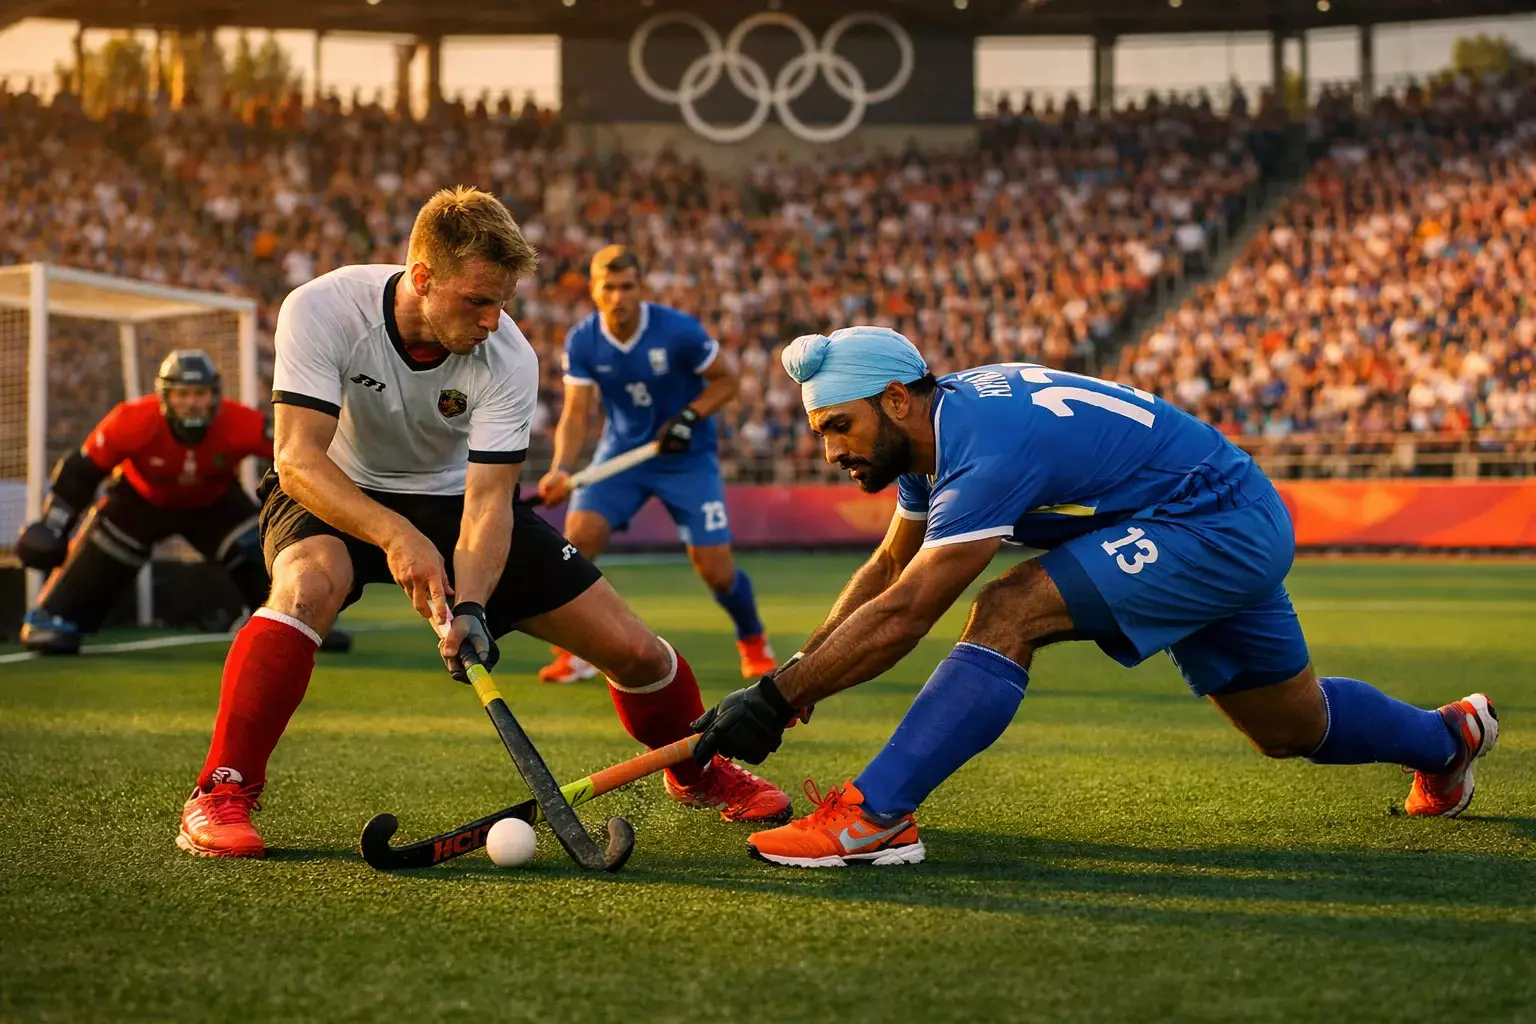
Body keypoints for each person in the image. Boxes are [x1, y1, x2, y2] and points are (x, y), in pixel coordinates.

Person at [691, 327, 1499, 868]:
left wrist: (779, 693)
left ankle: (875, 818)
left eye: (838, 428)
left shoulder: (983, 447)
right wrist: (789, 686)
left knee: (1009, 608)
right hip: (1217, 511)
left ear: (896, 400)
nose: (830, 450)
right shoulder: (930, 432)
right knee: (1291, 726)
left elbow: (910, 610)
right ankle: (1445, 741)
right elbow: (885, 571)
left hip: (1213, 523)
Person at [176, 187, 788, 859]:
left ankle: (697, 773)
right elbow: (295, 460)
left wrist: (470, 606)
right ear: (422, 278)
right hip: (337, 488)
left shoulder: (509, 357)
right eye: (476, 301)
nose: (493, 321)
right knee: (305, 587)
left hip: (456, 501)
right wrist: (395, 534)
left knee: (637, 651)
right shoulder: (323, 307)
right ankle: (221, 792)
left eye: (503, 303)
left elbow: (489, 502)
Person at [536, 245, 777, 684]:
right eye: (609, 288)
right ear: (594, 290)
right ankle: (577, 654)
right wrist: (561, 468)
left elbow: (727, 381)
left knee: (716, 571)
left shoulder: (679, 330)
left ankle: (753, 640)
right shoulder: (584, 340)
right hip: (622, 456)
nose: (618, 297)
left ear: (640, 288)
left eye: (627, 287)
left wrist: (688, 416)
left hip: (687, 460)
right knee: (575, 542)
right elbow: (576, 413)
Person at [15, 350, 349, 654]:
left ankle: (301, 617)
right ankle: (53, 615)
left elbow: (296, 454)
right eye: (183, 394)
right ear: (164, 397)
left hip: (213, 502)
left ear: (214, 397)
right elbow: (81, 473)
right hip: (140, 501)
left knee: (263, 545)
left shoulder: (239, 422)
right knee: (106, 547)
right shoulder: (131, 420)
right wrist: (53, 524)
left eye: (200, 394)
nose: (192, 403)